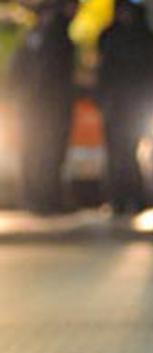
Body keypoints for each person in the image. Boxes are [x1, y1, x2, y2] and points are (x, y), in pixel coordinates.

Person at [97, 0, 153, 215]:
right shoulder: (113, 38)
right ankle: (125, 199)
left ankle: (149, 199)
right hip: (127, 106)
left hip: (143, 105)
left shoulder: (148, 41)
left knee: (146, 155)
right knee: (122, 156)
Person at [8, 0, 78, 215]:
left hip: (33, 106)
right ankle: (45, 200)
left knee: (36, 153)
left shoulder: (34, 36)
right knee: (47, 153)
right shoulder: (55, 36)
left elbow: (16, 70)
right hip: (48, 106)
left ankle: (37, 198)